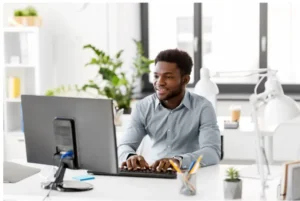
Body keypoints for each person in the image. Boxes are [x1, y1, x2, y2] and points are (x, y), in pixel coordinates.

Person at [118, 49, 221, 172]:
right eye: (156, 76)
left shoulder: (203, 107)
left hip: (188, 176)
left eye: (168, 77)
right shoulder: (143, 107)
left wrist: (178, 161)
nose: (159, 82)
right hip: (152, 176)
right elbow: (124, 145)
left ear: (185, 80)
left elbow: (212, 152)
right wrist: (130, 156)